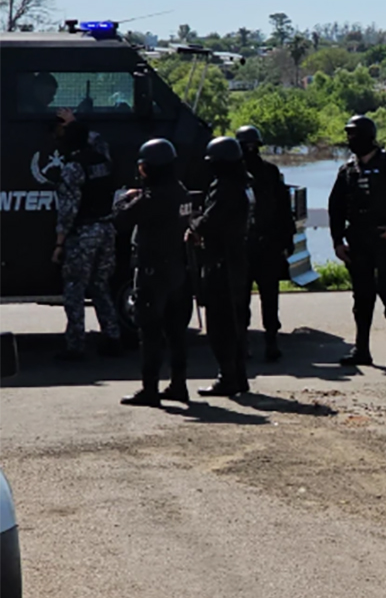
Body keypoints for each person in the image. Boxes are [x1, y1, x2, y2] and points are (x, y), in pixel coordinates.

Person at [327, 115, 386, 368]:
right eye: (348, 136)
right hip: (358, 242)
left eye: (355, 135)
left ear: (369, 135)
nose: (351, 140)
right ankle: (362, 350)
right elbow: (335, 209)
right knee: (362, 297)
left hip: (385, 240)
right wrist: (337, 241)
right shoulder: (347, 171)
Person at [112, 139, 194, 407]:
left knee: (149, 331)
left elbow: (121, 219)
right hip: (177, 271)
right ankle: (179, 384)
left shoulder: (152, 198)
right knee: (176, 332)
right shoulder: (180, 192)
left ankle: (150, 389)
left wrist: (126, 198)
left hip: (152, 272)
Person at [51, 109, 123, 360]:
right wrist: (76, 124)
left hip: (84, 233)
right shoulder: (102, 158)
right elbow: (97, 139)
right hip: (107, 230)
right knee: (101, 287)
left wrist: (60, 243)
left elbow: (68, 210)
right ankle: (113, 337)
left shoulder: (73, 168)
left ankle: (75, 345)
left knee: (74, 288)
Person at [189, 136, 252, 396]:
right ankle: (239, 376)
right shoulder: (246, 182)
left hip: (221, 261)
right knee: (238, 321)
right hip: (239, 259)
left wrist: (193, 225)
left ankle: (228, 378)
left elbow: (211, 219)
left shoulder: (225, 186)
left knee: (221, 323)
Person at [236, 125, 296, 361]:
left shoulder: (270, 172)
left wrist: (287, 239)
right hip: (242, 246)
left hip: (268, 245)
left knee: (270, 298)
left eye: (253, 146)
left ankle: (271, 341)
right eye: (246, 146)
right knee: (241, 299)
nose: (250, 150)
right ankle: (243, 342)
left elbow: (283, 208)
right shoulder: (232, 174)